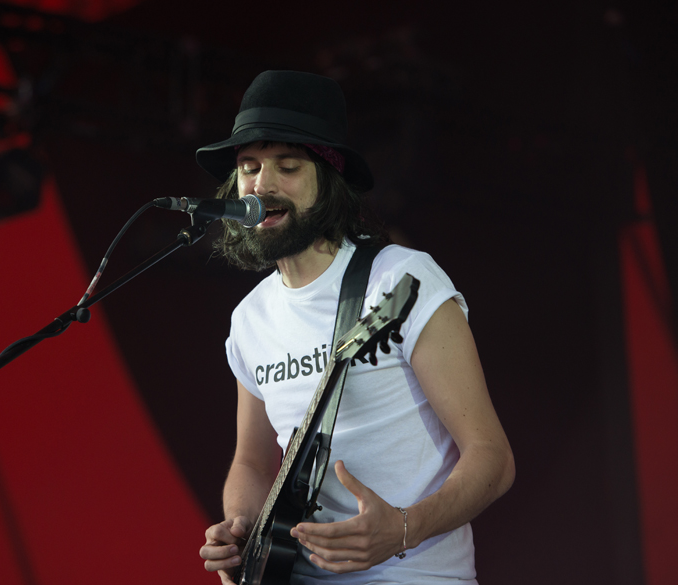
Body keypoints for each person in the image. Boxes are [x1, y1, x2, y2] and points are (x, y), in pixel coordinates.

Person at [196, 70, 515, 585]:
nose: (262, 184)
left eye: (288, 166)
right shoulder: (250, 317)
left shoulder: (401, 279)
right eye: (249, 167)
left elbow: (492, 458)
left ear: (329, 178)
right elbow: (252, 463)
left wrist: (404, 529)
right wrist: (239, 532)